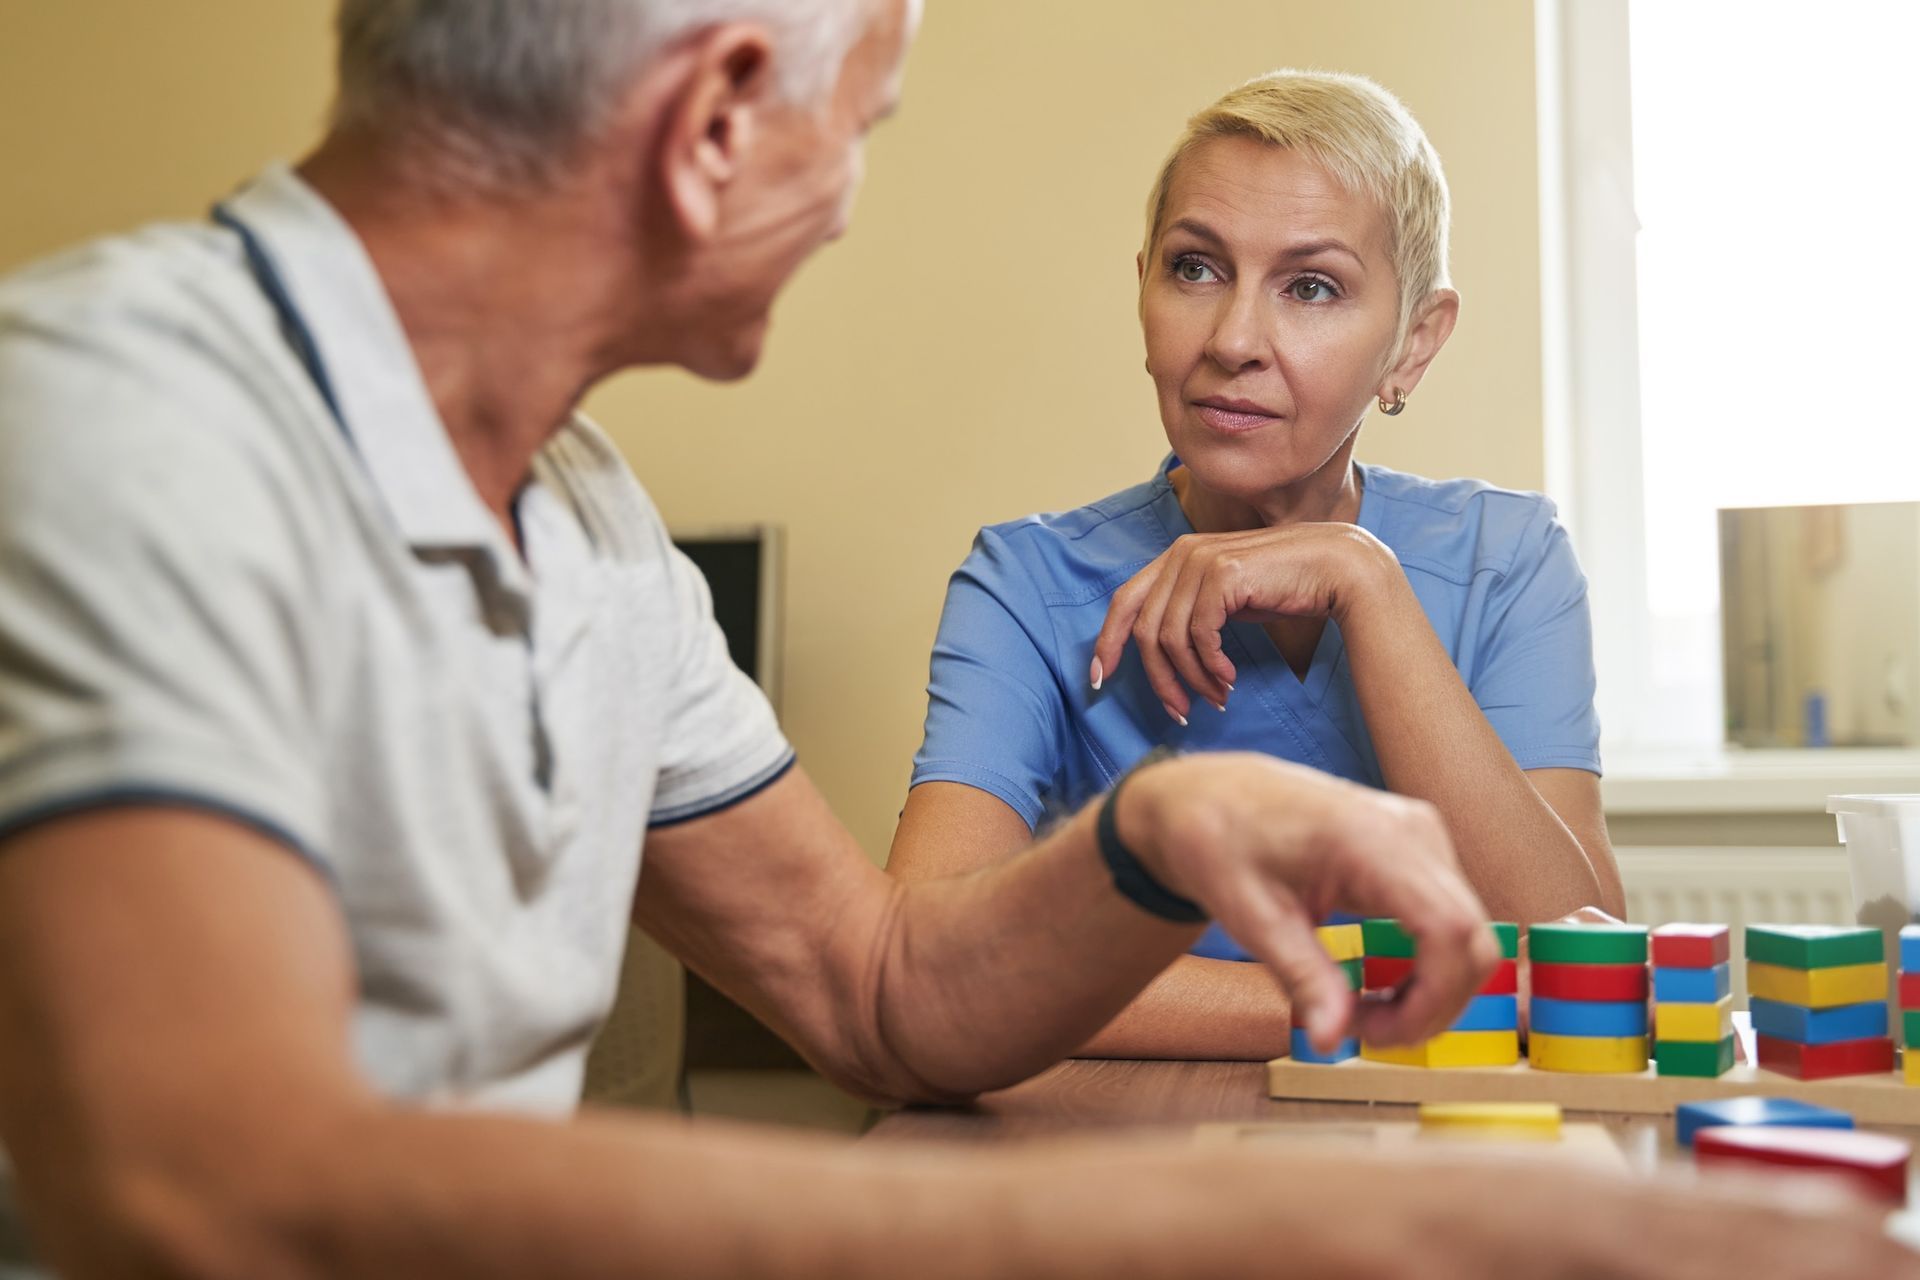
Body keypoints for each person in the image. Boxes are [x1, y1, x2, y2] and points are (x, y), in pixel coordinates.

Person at [0, 6, 1908, 1277]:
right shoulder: (120, 408)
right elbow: (196, 1182)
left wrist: (1154, 843)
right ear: (718, 120)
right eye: (865, 125)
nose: (849, 202)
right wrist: (1254, 1230)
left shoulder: (586, 521)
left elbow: (879, 989)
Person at [891, 70, 1627, 1061]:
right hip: (1127, 1162)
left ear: (1413, 342)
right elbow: (932, 963)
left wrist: (1363, 581)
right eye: (1195, 269)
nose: (1233, 340)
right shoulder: (1024, 587)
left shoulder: (1509, 561)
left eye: (1311, 286)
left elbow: (1580, 965)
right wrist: (1362, 1016)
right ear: (1143, 286)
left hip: (1441, 1161)